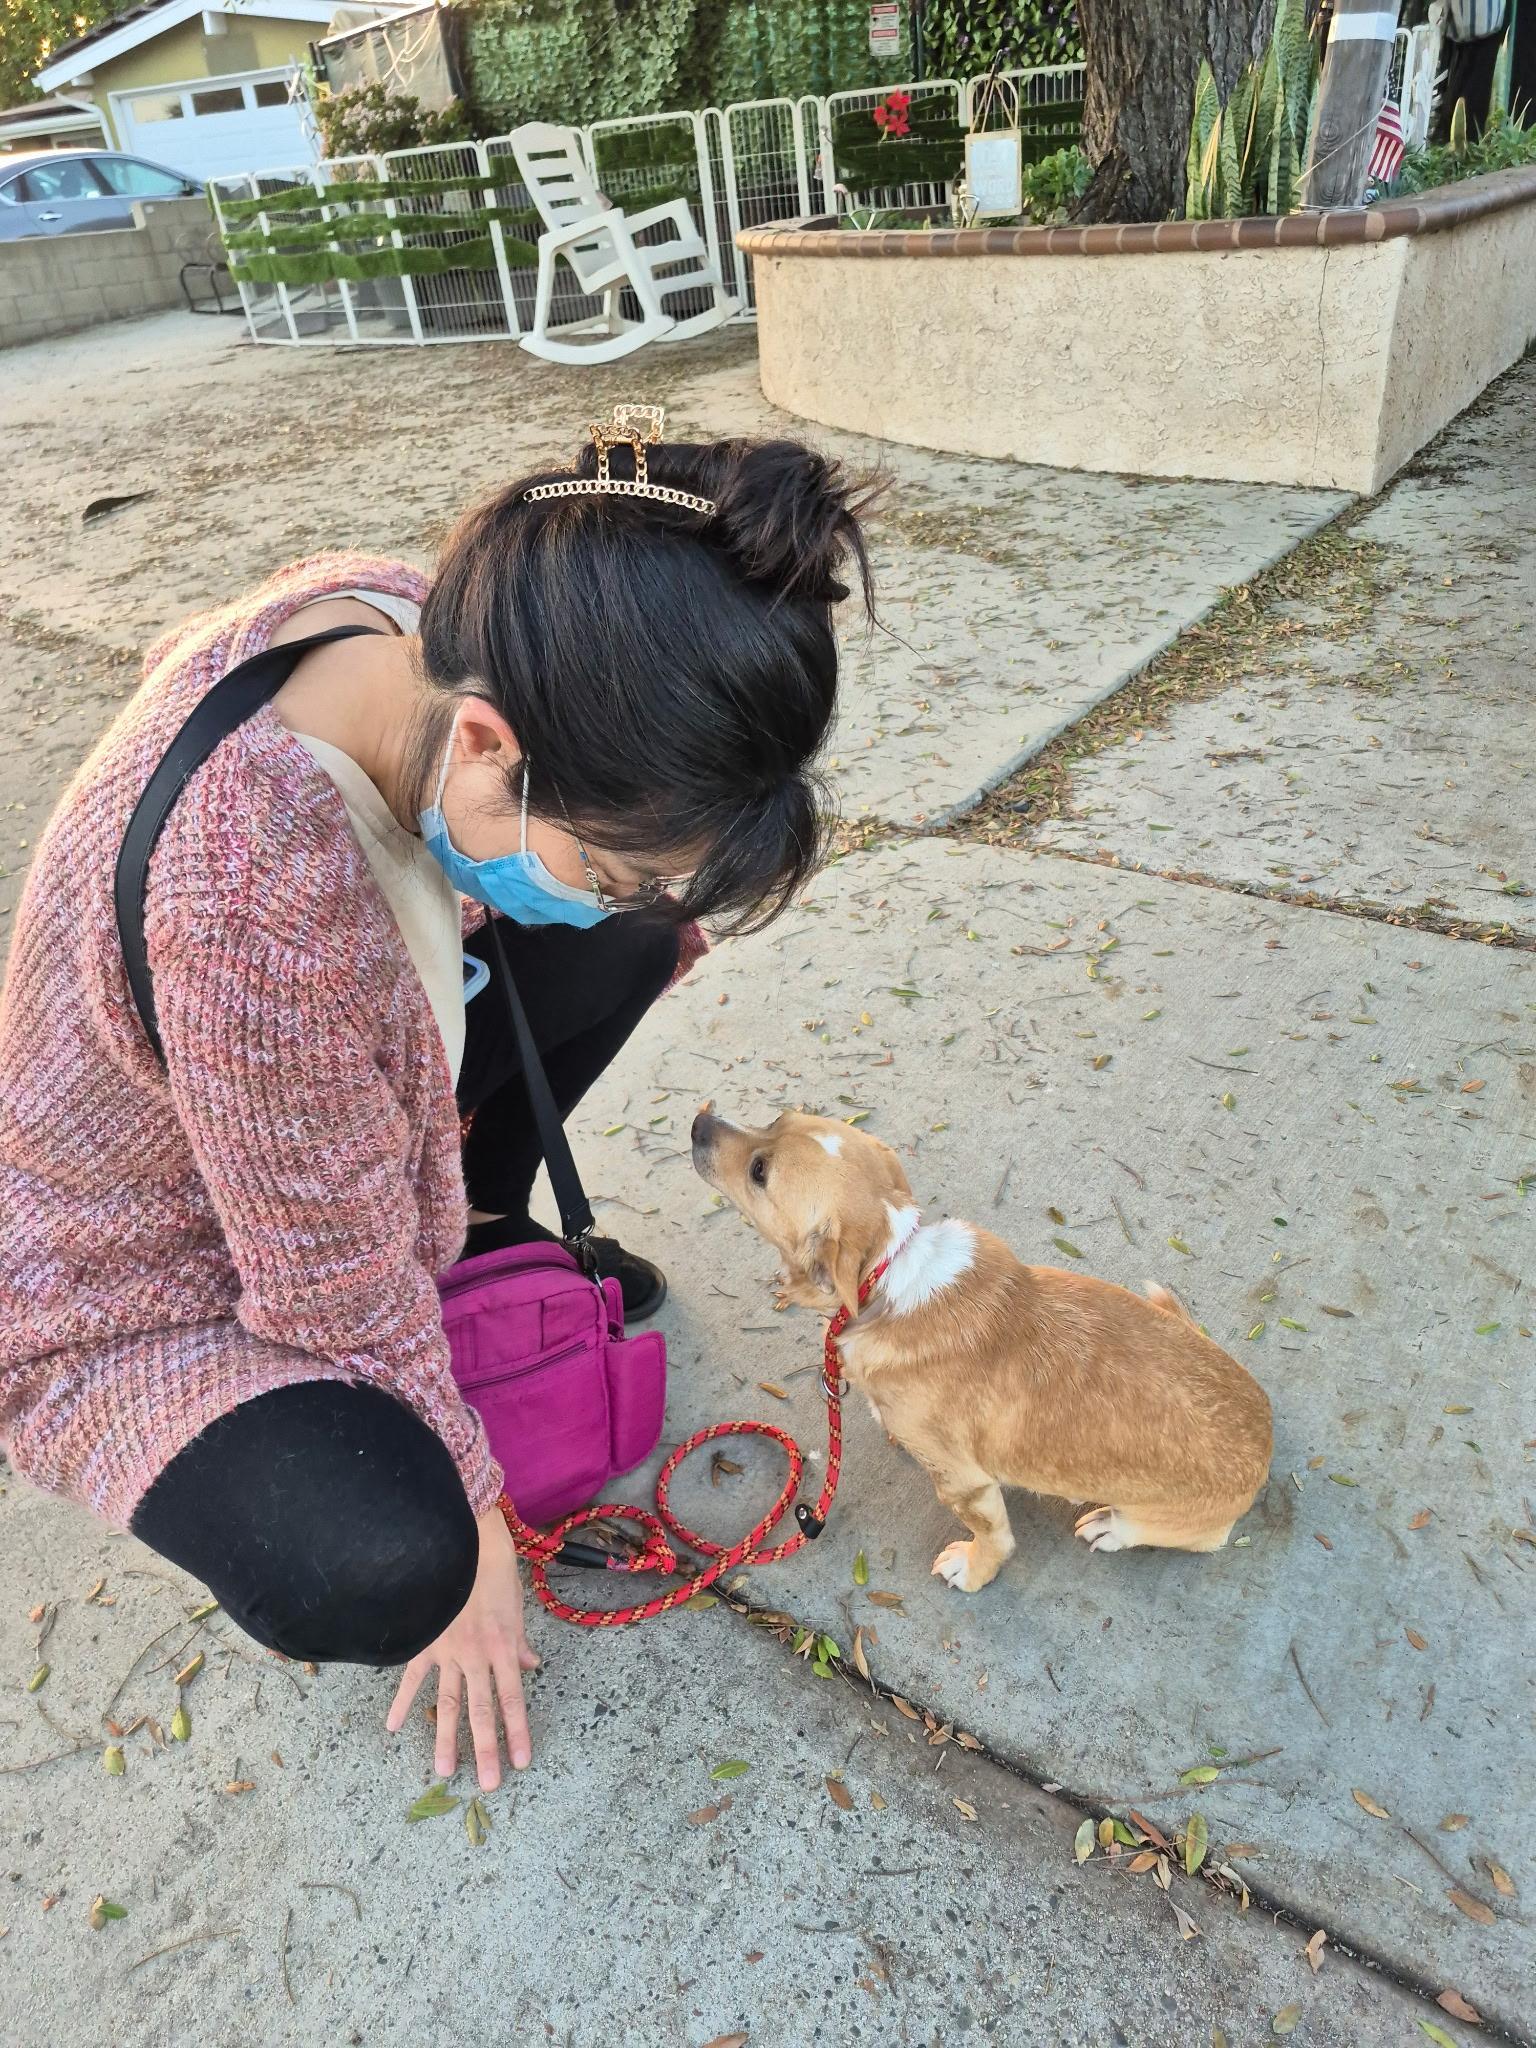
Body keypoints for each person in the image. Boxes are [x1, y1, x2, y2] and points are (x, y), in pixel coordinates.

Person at [0, 411, 874, 1792]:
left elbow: (488, 876)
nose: (621, 885)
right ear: (483, 739)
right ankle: (454, 1268)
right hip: (131, 1273)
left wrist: (633, 913)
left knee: (624, 941)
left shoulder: (416, 619)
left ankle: (472, 1219)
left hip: (299, 1113)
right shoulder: (256, 907)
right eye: (614, 857)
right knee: (390, 1557)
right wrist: (472, 1528)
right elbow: (337, 1312)